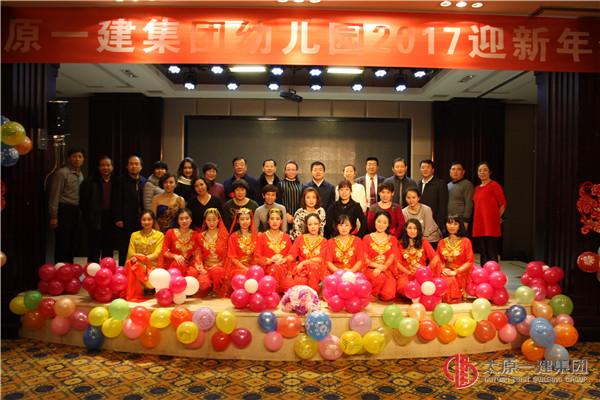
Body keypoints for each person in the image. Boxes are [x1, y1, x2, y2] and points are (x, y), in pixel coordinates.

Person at [48, 147, 85, 263]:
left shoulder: (80, 174)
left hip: (76, 211)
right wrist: (53, 216)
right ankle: (60, 268)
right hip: (64, 211)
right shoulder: (62, 173)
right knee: (62, 242)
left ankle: (70, 269)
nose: (77, 159)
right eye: (74, 156)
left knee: (73, 242)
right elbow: (54, 195)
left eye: (80, 157)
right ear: (69, 158)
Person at [79, 155, 115, 262]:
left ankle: (107, 269)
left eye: (108, 165)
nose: (105, 168)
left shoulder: (116, 182)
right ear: (98, 167)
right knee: (93, 247)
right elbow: (83, 203)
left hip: (111, 218)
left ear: (112, 167)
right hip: (94, 218)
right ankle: (93, 270)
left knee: (108, 246)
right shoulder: (89, 182)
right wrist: (89, 218)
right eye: (102, 165)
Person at [113, 155, 147, 266]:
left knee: (139, 247)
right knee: (125, 247)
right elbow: (116, 200)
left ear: (141, 167)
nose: (134, 166)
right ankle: (123, 269)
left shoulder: (144, 181)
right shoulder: (120, 181)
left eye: (136, 164)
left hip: (141, 220)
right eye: (131, 164)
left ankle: (138, 270)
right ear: (127, 166)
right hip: (125, 220)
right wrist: (118, 218)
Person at [124, 210, 164, 301]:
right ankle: (136, 291)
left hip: (152, 265)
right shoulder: (134, 235)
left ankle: (146, 288)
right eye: (144, 219)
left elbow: (157, 253)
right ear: (140, 221)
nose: (146, 222)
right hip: (137, 263)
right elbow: (131, 252)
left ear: (153, 221)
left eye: (149, 219)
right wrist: (137, 259)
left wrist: (142, 259)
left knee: (137, 266)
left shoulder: (159, 235)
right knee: (133, 265)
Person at [472, 162, 506, 265]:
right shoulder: (476, 189)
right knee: (483, 252)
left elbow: (502, 204)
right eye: (480, 170)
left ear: (490, 172)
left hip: (491, 224)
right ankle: (484, 272)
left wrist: (497, 218)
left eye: (485, 170)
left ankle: (493, 272)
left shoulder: (494, 185)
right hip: (479, 224)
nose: (482, 172)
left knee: (491, 251)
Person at [435, 216, 474, 303]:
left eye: (455, 224)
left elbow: (469, 262)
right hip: (446, 271)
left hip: (462, 272)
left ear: (460, 226)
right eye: (449, 223)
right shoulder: (442, 242)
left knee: (450, 281)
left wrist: (456, 272)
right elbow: (438, 260)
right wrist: (443, 269)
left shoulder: (466, 241)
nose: (452, 226)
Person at [396, 219, 438, 299]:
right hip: (406, 274)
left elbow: (435, 258)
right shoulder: (400, 244)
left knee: (426, 287)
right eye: (410, 228)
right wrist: (408, 272)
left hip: (421, 274)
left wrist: (426, 269)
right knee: (403, 287)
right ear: (405, 229)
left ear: (418, 230)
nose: (412, 231)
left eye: (415, 228)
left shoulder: (424, 243)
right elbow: (397, 263)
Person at [286, 213, 328, 292]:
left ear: (319, 225)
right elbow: (292, 255)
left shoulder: (324, 241)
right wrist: (283, 259)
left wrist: (303, 262)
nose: (313, 226)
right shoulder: (300, 239)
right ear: (306, 226)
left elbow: (320, 259)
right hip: (302, 269)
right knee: (299, 281)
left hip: (317, 270)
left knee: (313, 269)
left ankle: (313, 295)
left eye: (315, 224)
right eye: (310, 224)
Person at [362, 210, 398, 302]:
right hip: (370, 269)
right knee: (379, 277)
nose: (381, 225)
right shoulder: (367, 238)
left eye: (384, 222)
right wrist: (377, 266)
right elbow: (365, 259)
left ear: (388, 224)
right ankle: (372, 293)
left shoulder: (393, 239)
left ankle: (378, 291)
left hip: (386, 270)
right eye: (379, 221)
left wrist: (382, 267)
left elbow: (391, 257)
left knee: (389, 295)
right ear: (374, 221)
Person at [193, 208, 229, 297]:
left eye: (214, 219)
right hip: (205, 268)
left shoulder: (224, 235)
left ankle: (216, 288)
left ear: (218, 220)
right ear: (205, 221)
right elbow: (198, 253)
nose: (211, 223)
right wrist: (200, 265)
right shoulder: (200, 236)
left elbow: (227, 255)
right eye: (209, 220)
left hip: (220, 267)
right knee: (203, 284)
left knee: (216, 272)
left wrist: (218, 265)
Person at [255, 208, 293, 292]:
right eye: (272, 219)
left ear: (281, 221)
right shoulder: (262, 237)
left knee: (289, 286)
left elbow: (290, 255)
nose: (275, 221)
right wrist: (269, 260)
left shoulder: (286, 237)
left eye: (277, 219)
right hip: (267, 267)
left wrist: (284, 259)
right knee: (274, 269)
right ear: (268, 221)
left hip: (283, 268)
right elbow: (257, 257)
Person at [158, 208, 201, 276]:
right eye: (181, 219)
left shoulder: (195, 234)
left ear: (191, 220)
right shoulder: (170, 233)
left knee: (194, 273)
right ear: (178, 221)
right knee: (178, 264)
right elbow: (164, 251)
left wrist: (198, 263)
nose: (184, 221)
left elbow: (197, 252)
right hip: (174, 264)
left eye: (186, 218)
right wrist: (174, 256)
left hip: (188, 265)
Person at [225, 208, 257, 292]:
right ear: (238, 221)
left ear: (251, 220)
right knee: (242, 276)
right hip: (238, 266)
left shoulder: (256, 236)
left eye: (247, 219)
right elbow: (232, 257)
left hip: (253, 265)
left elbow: (258, 254)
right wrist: (245, 268)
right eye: (242, 219)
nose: (245, 222)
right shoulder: (233, 237)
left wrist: (252, 267)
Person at [417, 159, 449, 230]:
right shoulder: (418, 184)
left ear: (433, 170)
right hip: (420, 221)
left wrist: (439, 224)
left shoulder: (440, 184)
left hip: (434, 221)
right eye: (423, 167)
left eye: (428, 167)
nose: (425, 170)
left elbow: (443, 206)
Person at [279, 160, 303, 233]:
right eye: (288, 169)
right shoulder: (280, 184)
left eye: (293, 170)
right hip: (284, 217)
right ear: (285, 171)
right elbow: (278, 201)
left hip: (298, 217)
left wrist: (297, 216)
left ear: (296, 171)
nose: (291, 171)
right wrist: (285, 214)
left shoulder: (301, 185)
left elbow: (302, 202)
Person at [447, 162, 474, 228]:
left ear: (463, 172)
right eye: (453, 169)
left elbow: (469, 204)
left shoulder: (467, 184)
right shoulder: (448, 185)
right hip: (449, 219)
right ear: (450, 172)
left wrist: (466, 220)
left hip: (460, 220)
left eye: (458, 169)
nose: (455, 171)